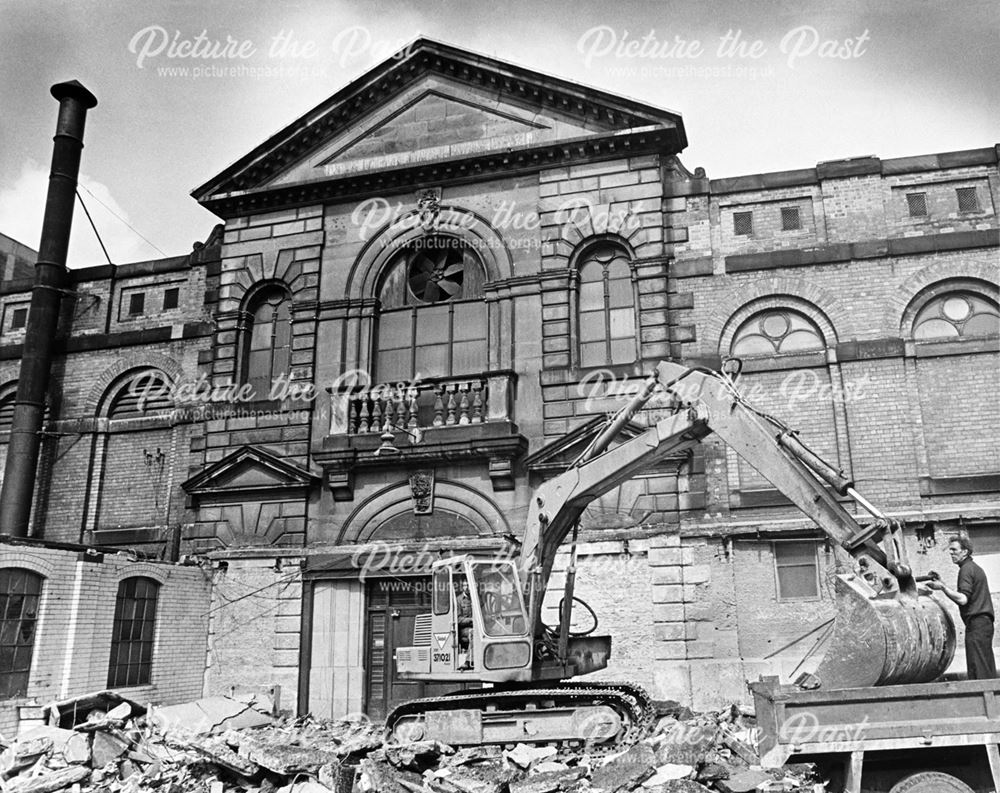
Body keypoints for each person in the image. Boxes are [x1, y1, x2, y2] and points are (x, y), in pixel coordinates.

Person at [927, 535, 997, 679]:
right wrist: (942, 583)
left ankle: (984, 699)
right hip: (983, 623)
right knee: (985, 664)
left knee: (978, 667)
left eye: (954, 550)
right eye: (950, 550)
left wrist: (942, 587)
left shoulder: (966, 570)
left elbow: (963, 599)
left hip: (977, 624)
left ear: (964, 552)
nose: (951, 553)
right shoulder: (974, 568)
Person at [456, 579, 474, 670]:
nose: (467, 587)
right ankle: (468, 662)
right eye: (465, 585)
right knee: (474, 634)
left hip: (476, 627)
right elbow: (458, 619)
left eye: (468, 585)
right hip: (463, 629)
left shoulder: (475, 599)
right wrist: (471, 620)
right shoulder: (458, 600)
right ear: (462, 587)